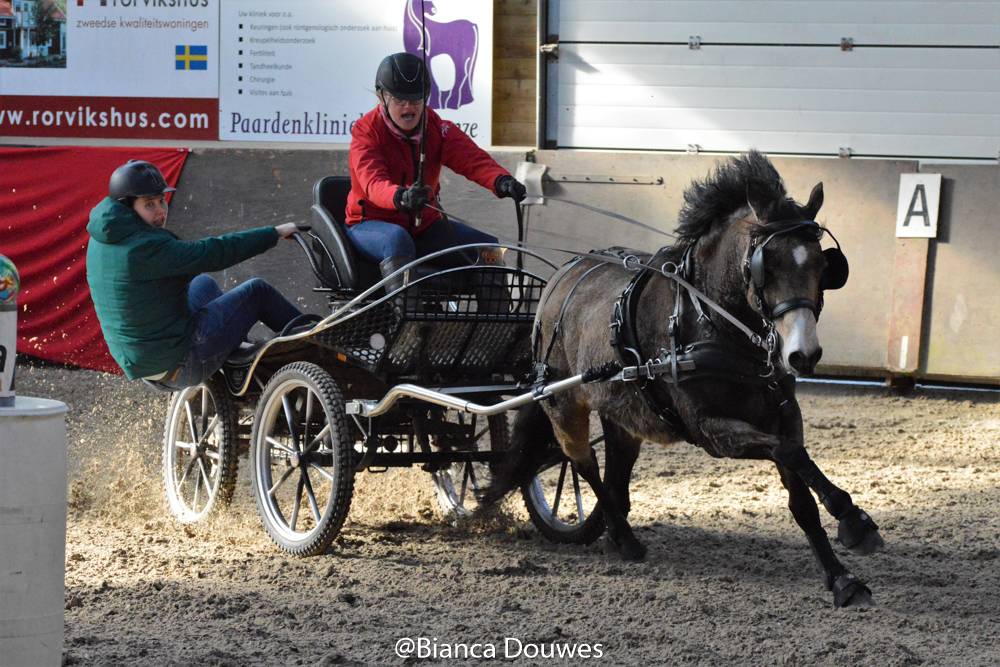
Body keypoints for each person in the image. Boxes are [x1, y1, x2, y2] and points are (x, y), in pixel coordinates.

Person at [86, 159, 305, 390]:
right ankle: (320, 345)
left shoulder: (104, 238)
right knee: (256, 292)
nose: (160, 211)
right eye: (149, 205)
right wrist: (274, 233)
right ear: (127, 206)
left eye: (162, 200)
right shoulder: (143, 249)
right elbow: (213, 252)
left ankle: (238, 354)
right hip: (181, 363)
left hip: (146, 361)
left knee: (203, 284)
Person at [346, 51, 527, 294]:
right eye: (400, 101)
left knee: (489, 250)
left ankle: (496, 328)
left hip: (424, 227)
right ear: (382, 97)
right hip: (372, 225)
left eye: (417, 100)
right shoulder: (366, 132)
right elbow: (372, 182)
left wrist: (501, 180)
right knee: (397, 240)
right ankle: (411, 327)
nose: (409, 108)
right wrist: (400, 197)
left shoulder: (437, 128)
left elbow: (471, 159)